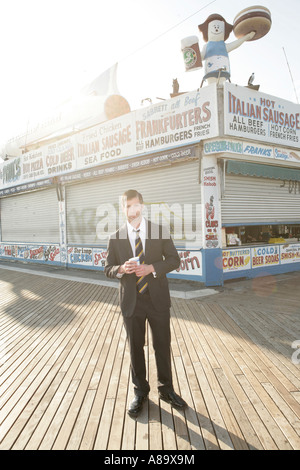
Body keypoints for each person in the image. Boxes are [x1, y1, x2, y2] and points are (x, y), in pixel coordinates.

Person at [104, 189, 187, 416]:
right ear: (123, 209)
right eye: (128, 206)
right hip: (132, 302)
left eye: (136, 205)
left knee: (162, 345)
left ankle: (166, 389)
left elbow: (174, 260)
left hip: (157, 299)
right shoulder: (115, 237)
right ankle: (140, 392)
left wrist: (152, 268)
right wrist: (121, 269)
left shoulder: (159, 231)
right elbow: (107, 268)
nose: (133, 209)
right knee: (135, 348)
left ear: (142, 205)